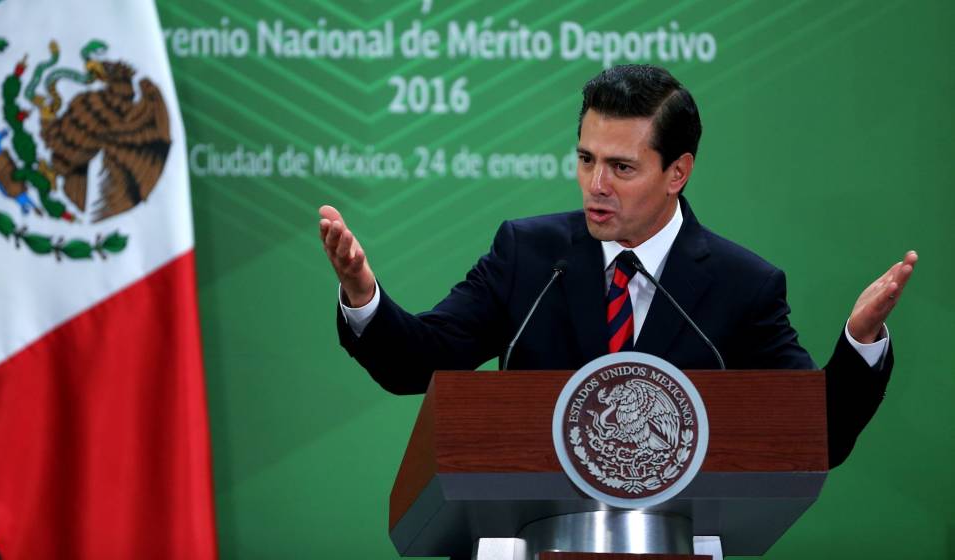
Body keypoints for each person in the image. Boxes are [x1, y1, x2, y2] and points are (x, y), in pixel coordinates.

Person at [318, 65, 917, 467]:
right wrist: (363, 294)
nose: (595, 186)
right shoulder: (528, 254)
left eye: (622, 168)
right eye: (585, 159)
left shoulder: (743, 286)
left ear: (676, 173)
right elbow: (419, 362)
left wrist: (860, 343)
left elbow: (815, 434)